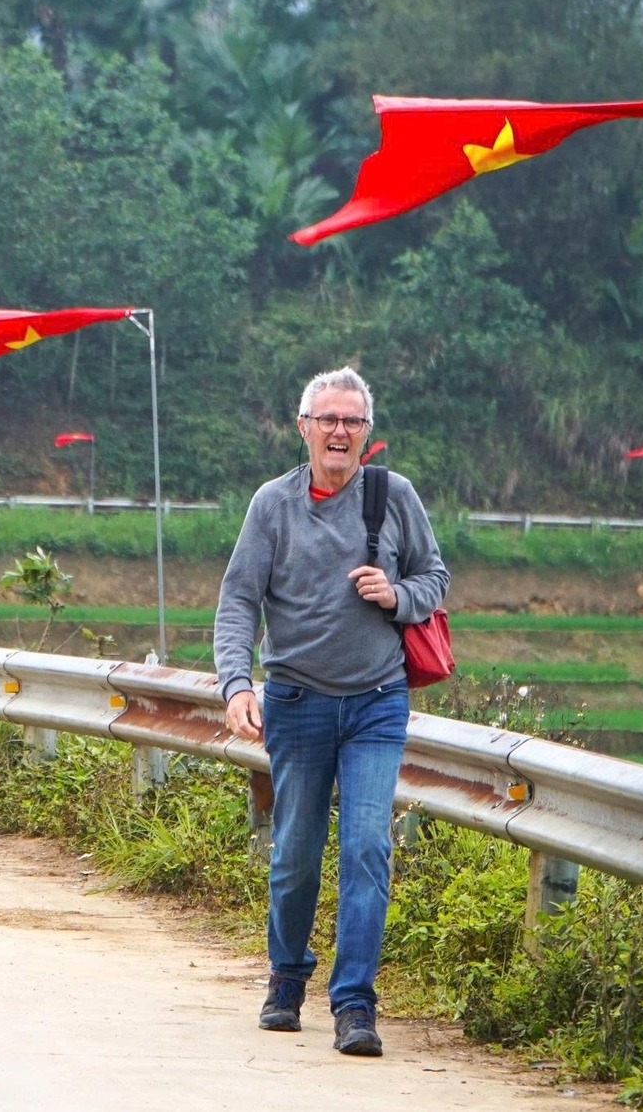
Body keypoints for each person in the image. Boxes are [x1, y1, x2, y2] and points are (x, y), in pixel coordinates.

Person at [213, 367, 450, 1058]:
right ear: (304, 427)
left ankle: (354, 1003)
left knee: (369, 847)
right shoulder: (272, 505)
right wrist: (236, 684)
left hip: (377, 703)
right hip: (296, 702)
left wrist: (396, 595)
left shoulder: (393, 496)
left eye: (352, 421)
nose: (339, 432)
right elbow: (237, 602)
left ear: (367, 434)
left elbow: (435, 578)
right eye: (328, 420)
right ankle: (286, 978)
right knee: (294, 855)